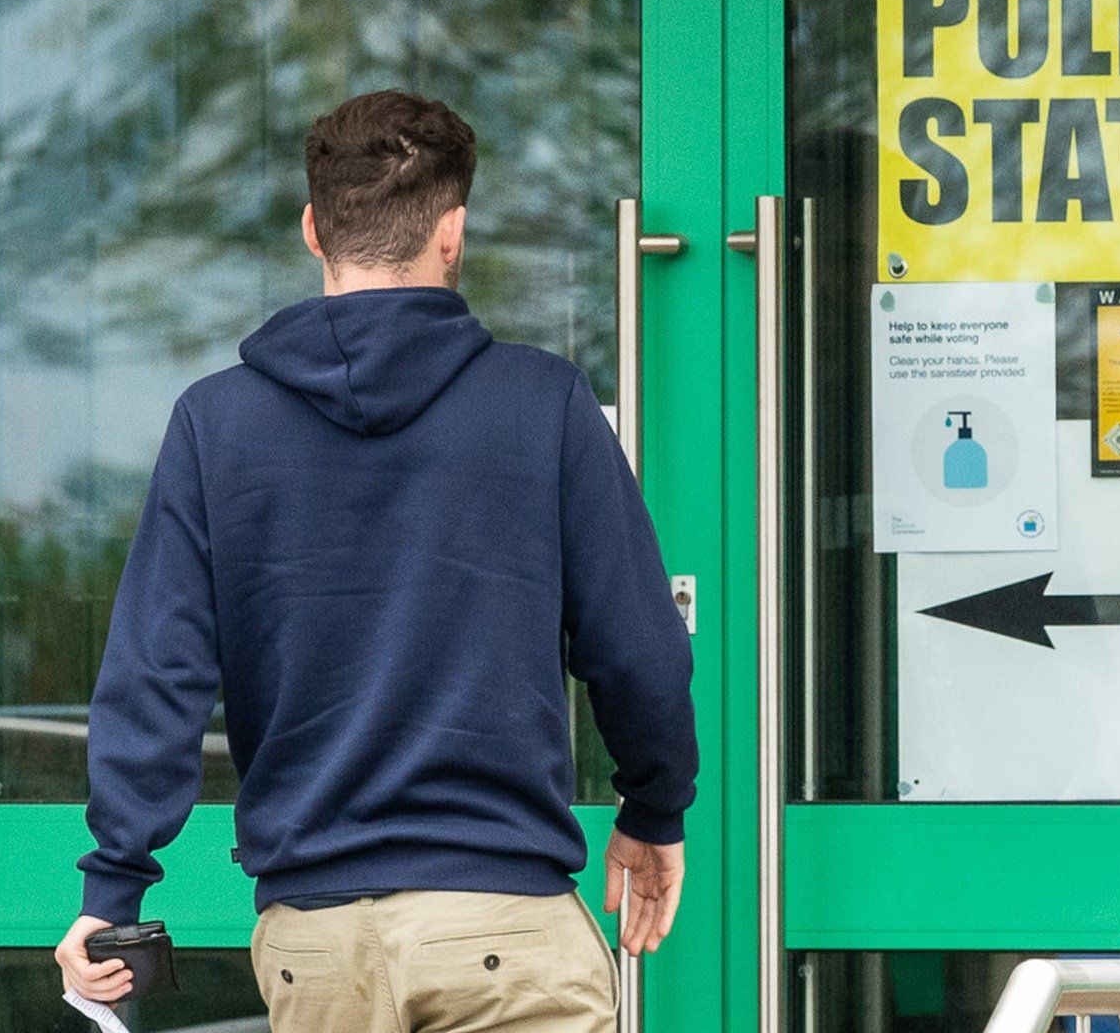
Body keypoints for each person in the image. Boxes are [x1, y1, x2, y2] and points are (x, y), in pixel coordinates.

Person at [54, 89, 699, 1032]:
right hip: (504, 930)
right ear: (453, 232)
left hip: (316, 949)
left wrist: (114, 885)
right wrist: (653, 808)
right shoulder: (544, 403)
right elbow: (636, 645)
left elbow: (158, 673)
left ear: (314, 229)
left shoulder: (215, 423)